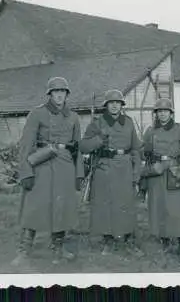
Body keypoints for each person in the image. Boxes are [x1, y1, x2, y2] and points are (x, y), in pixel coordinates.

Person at [13, 77, 84, 265]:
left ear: (67, 94)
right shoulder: (37, 114)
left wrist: (78, 174)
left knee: (61, 208)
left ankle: (58, 249)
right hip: (42, 164)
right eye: (56, 92)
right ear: (50, 94)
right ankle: (24, 250)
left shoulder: (74, 117)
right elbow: (25, 145)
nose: (59, 95)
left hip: (65, 166)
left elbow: (77, 148)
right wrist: (26, 172)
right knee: (34, 206)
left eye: (63, 92)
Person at [79, 89, 144, 257]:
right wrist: (99, 140)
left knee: (125, 205)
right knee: (105, 205)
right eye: (111, 103)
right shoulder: (97, 123)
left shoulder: (129, 122)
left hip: (125, 168)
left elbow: (136, 149)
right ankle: (108, 241)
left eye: (118, 103)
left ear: (122, 105)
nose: (114, 105)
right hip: (104, 168)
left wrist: (136, 173)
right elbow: (84, 146)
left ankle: (127, 241)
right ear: (106, 105)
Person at [141, 98, 180, 259]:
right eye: (159, 111)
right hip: (156, 175)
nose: (162, 114)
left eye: (165, 111)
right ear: (156, 114)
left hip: (175, 172)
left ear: (171, 113)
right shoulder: (150, 131)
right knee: (159, 208)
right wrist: (148, 172)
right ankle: (166, 242)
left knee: (177, 210)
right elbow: (145, 154)